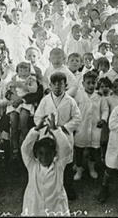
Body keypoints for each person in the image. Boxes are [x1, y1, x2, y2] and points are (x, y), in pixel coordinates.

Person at [33, 72, 81, 201]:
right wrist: (45, 126)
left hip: (64, 135)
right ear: (50, 85)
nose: (57, 87)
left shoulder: (70, 101)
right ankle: (51, 188)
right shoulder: (45, 100)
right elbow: (37, 117)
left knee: (66, 163)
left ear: (66, 85)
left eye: (60, 84)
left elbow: (77, 118)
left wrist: (63, 128)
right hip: (48, 136)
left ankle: (67, 188)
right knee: (50, 161)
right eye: (54, 84)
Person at [21, 113, 72, 216]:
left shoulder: (59, 166)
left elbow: (66, 148)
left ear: (55, 154)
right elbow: (25, 148)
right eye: (41, 153)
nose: (44, 157)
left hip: (55, 207)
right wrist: (36, 130)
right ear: (36, 153)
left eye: (48, 154)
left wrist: (56, 130)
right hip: (35, 206)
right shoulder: (32, 165)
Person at [73, 71, 108, 181]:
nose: (91, 85)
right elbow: (73, 110)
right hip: (81, 127)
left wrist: (103, 119)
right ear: (83, 84)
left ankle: (91, 168)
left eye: (93, 83)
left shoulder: (99, 97)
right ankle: (79, 169)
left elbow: (105, 109)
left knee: (94, 150)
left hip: (94, 128)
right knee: (79, 149)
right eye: (88, 83)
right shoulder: (79, 95)